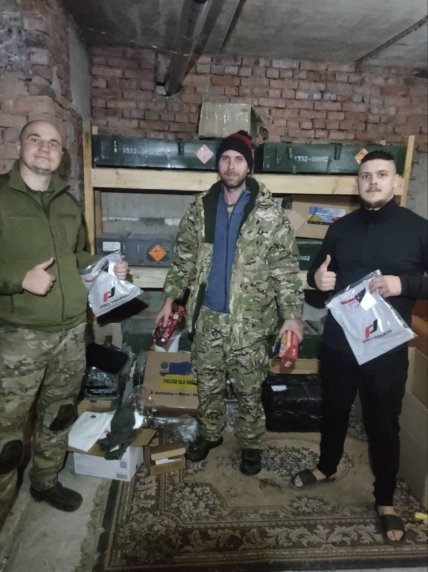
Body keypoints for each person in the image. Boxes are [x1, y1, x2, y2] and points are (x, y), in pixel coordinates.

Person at [292, 150, 428, 544]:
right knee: (333, 410)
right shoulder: (340, 228)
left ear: (396, 182)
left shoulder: (418, 229)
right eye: (366, 175)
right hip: (338, 343)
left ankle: (385, 500)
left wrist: (405, 284)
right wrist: (317, 280)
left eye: (382, 174)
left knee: (382, 423)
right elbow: (317, 277)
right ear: (357, 183)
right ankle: (326, 466)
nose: (373, 181)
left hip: (384, 350)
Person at [155, 131, 304, 475]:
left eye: (238, 159)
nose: (231, 166)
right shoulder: (201, 208)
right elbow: (185, 258)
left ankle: (250, 443)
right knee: (207, 384)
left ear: (248, 166)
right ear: (217, 164)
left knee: (249, 389)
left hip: (250, 321)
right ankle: (210, 434)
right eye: (225, 158)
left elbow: (284, 267)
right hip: (207, 318)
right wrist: (170, 299)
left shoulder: (269, 213)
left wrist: (291, 315)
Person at [0, 119, 128, 512]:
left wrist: (106, 267)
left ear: (61, 154)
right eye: (35, 139)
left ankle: (45, 481)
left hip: (71, 333)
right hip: (19, 336)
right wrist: (19, 278)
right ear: (19, 146)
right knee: (6, 437)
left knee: (58, 415)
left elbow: (75, 256)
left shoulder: (67, 202)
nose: (45, 148)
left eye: (53, 143)